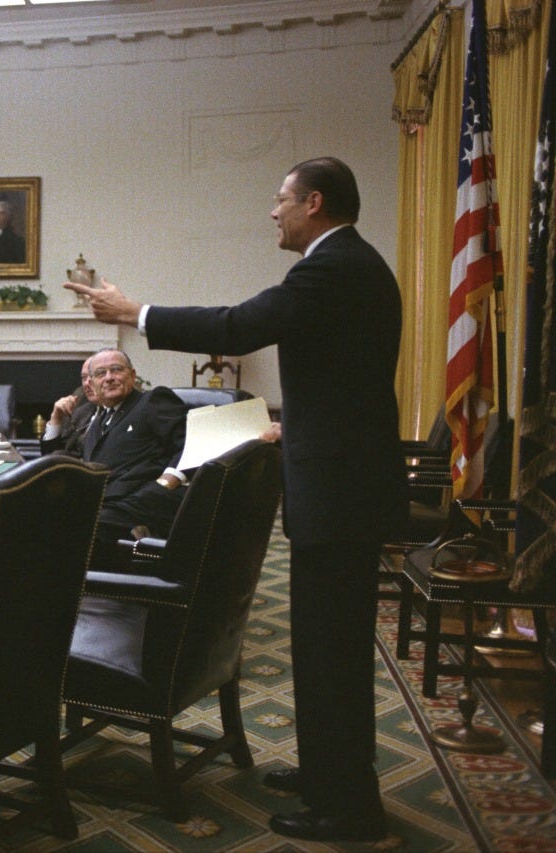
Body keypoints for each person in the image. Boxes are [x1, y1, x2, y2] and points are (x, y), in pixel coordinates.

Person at [65, 156, 406, 843]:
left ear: (314, 202)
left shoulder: (331, 266)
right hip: (339, 486)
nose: (272, 211)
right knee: (322, 647)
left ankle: (349, 807)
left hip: (339, 496)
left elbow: (239, 325)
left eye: (280, 200)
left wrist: (139, 314)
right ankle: (328, 774)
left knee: (332, 652)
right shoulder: (348, 265)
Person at [52, 348, 188, 567]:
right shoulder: (99, 419)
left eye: (116, 370)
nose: (109, 378)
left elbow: (188, 443)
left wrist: (169, 480)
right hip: (107, 501)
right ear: (92, 384)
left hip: (142, 498)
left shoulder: (153, 401)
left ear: (132, 376)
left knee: (72, 528)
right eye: (100, 373)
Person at [40, 355, 99, 458]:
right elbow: (48, 455)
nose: (87, 383)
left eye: (93, 375)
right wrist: (56, 419)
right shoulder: (82, 409)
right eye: (84, 378)